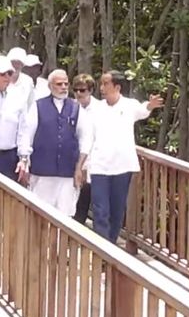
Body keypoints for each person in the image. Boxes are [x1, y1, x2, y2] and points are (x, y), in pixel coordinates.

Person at [86, 70, 164, 244]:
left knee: (117, 209)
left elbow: (142, 110)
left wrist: (150, 105)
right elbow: (88, 138)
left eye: (106, 84)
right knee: (100, 209)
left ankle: (111, 244)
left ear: (117, 87)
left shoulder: (129, 105)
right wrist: (83, 164)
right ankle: (102, 249)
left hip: (122, 166)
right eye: (101, 84)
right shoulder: (96, 109)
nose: (102, 88)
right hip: (99, 166)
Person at [17, 70, 92, 216]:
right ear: (51, 86)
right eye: (59, 84)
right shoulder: (38, 106)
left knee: (65, 215)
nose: (64, 87)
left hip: (67, 172)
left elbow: (86, 137)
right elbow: (27, 135)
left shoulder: (76, 108)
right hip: (42, 171)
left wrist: (80, 166)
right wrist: (24, 160)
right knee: (40, 214)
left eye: (66, 83)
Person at [70, 73, 100, 224]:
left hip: (93, 160)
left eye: (82, 90)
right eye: (76, 90)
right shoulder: (70, 107)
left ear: (91, 90)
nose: (78, 93)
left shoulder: (101, 109)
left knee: (86, 200)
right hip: (73, 158)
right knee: (72, 199)